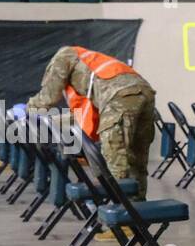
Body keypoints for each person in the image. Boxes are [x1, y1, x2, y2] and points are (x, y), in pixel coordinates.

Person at [25, 45, 156, 201]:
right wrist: (53, 120)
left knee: (115, 156)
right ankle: (138, 209)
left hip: (119, 95)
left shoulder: (63, 56)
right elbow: (81, 116)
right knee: (137, 159)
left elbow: (49, 96)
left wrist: (28, 110)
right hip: (144, 91)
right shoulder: (88, 67)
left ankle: (122, 212)